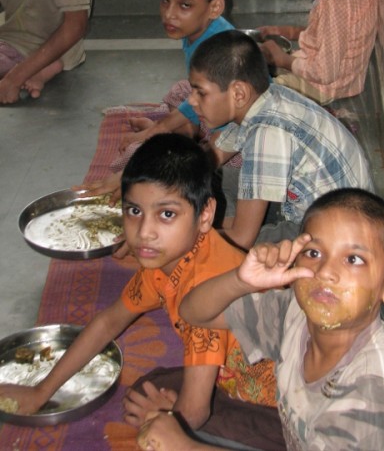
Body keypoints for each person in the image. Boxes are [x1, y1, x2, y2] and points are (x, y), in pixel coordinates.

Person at [0, 134, 280, 447]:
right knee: (148, 391)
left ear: (205, 216)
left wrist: (171, 420)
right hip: (236, 377)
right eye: (134, 211)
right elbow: (109, 321)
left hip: (286, 407)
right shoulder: (169, 258)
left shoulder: (207, 287)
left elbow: (196, 412)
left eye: (167, 214)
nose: (145, 233)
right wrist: (41, 390)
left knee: (158, 423)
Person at [136, 187, 384, 451]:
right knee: (159, 395)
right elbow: (194, 313)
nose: (325, 271)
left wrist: (185, 446)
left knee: (177, 429)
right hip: (297, 437)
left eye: (353, 259)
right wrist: (241, 280)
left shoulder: (373, 380)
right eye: (314, 253)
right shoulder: (295, 313)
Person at [187, 30, 373, 249]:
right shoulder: (267, 98)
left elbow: (242, 239)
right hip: (326, 203)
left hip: (335, 233)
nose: (191, 101)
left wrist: (185, 238)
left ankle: (224, 222)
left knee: (240, 248)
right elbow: (216, 152)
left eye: (200, 93)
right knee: (222, 175)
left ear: (238, 93)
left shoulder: (266, 135)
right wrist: (179, 177)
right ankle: (226, 220)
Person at [80, 0, 235, 204]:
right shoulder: (198, 29)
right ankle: (172, 137)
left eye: (184, 5)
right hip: (213, 107)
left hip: (238, 133)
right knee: (182, 91)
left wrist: (157, 146)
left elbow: (228, 130)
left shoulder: (218, 50)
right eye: (165, 1)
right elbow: (196, 97)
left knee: (148, 157)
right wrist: (158, 130)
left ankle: (169, 148)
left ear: (215, 7)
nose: (169, 14)